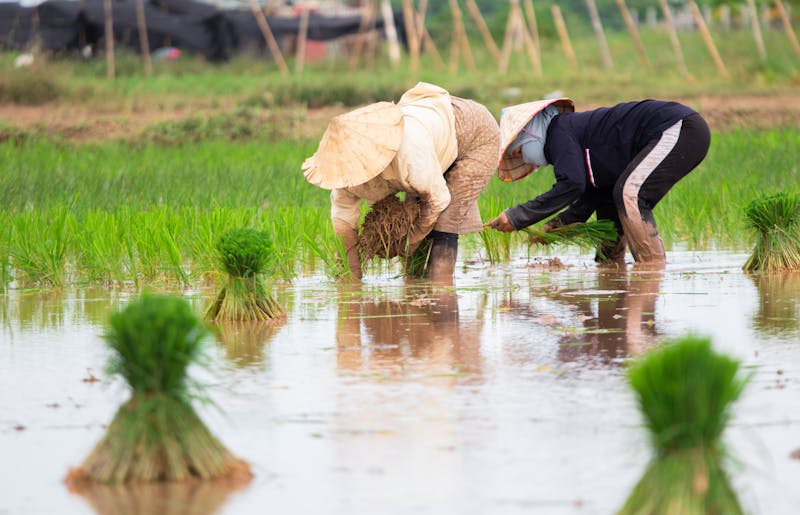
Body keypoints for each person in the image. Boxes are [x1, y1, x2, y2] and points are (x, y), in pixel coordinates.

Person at [303, 82, 500, 282]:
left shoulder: (408, 155)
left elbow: (439, 199)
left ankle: (443, 286)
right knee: (414, 217)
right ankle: (415, 286)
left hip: (474, 132)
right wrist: (351, 277)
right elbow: (344, 225)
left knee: (446, 219)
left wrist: (408, 242)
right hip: (430, 137)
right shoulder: (345, 176)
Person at [485, 98, 711, 268]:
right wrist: (559, 225)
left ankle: (652, 269)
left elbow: (572, 184)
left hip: (678, 129)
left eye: (520, 152)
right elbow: (594, 190)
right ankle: (611, 265)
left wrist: (517, 216)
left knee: (629, 194)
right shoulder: (569, 135)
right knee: (612, 196)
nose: (523, 158)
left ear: (531, 135)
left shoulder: (559, 133)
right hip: (681, 129)